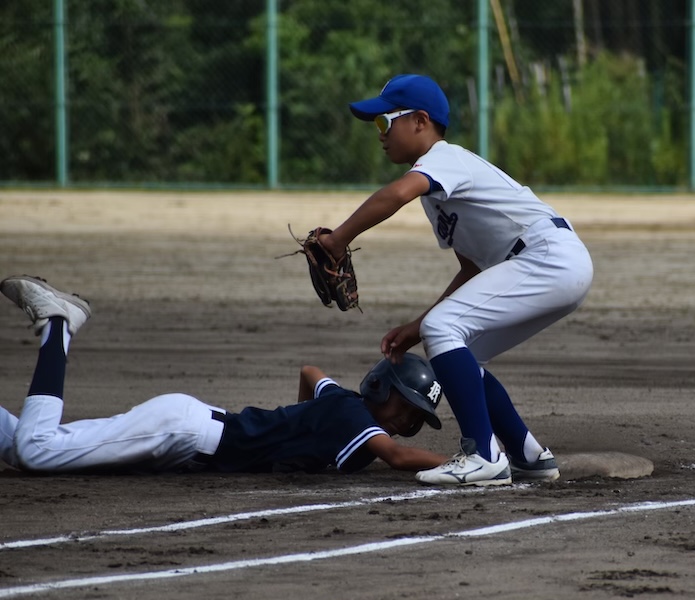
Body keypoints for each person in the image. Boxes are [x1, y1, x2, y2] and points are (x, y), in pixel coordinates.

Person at [317, 74, 594, 486]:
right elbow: (471, 269)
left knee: (443, 329)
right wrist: (417, 326)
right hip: (549, 262)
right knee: (462, 350)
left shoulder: (444, 159)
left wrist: (339, 238)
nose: (380, 133)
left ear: (420, 121)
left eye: (384, 121)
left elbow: (396, 194)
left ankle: (482, 455)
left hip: (547, 257)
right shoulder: (437, 192)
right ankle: (527, 454)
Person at [0, 275, 449, 475]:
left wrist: (299, 423)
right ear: (380, 388)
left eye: (417, 418)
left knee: (23, 449)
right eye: (407, 407)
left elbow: (311, 372)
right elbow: (397, 457)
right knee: (40, 451)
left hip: (187, 432)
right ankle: (58, 325)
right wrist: (463, 465)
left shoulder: (342, 405)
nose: (408, 421)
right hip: (183, 432)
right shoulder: (354, 418)